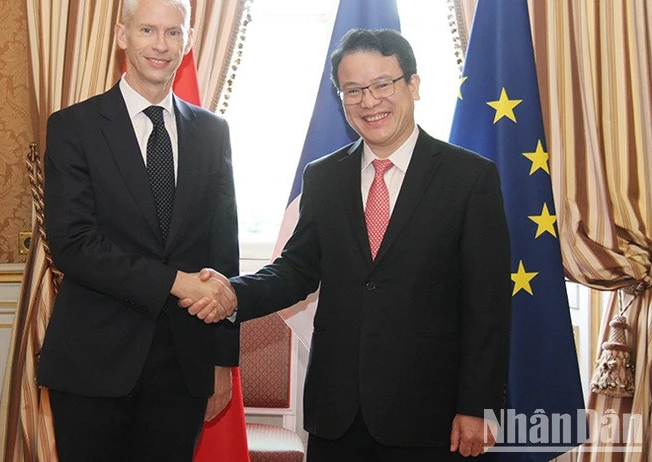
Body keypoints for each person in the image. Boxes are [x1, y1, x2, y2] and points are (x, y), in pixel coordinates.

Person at [186, 29, 512, 461]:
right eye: (353, 90)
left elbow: (487, 304)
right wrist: (231, 292)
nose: (369, 101)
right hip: (337, 413)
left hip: (429, 414)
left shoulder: (470, 178)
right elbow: (296, 269)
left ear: (412, 85)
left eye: (382, 85)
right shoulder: (324, 177)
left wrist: (477, 406)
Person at [37, 0, 240, 461]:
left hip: (184, 370)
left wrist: (221, 362)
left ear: (188, 42)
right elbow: (72, 243)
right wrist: (175, 282)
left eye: (174, 32)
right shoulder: (73, 128)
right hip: (92, 363)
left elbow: (222, 250)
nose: (161, 44)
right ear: (121, 34)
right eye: (148, 29)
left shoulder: (212, 133)